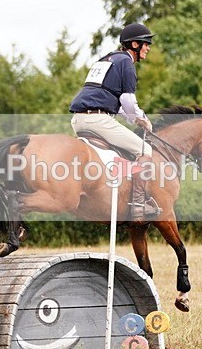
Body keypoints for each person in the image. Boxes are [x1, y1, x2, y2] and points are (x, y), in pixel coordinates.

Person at [69, 22, 161, 221]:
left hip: (78, 120)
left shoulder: (107, 60)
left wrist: (134, 118)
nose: (148, 48)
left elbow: (116, 104)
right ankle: (138, 204)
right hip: (97, 120)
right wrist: (142, 119)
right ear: (134, 45)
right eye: (146, 44)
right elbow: (128, 101)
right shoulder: (127, 63)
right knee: (145, 151)